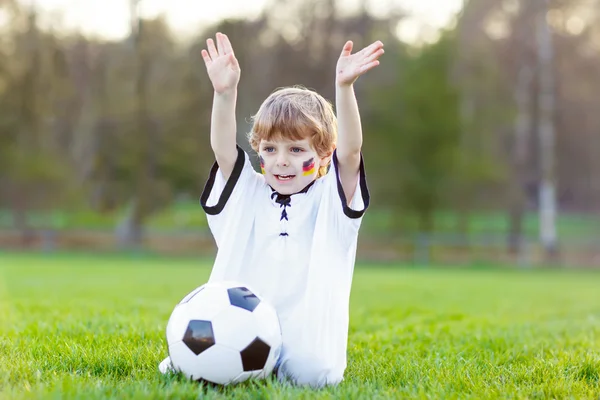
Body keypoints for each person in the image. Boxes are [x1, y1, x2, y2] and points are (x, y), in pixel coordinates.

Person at [160, 32, 384, 388]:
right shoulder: (248, 190)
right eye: (270, 149)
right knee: (207, 365)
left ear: (324, 155)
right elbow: (222, 149)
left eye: (296, 150)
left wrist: (345, 88)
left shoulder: (331, 199)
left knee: (313, 376)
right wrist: (224, 93)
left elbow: (352, 152)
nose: (281, 162)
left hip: (306, 340)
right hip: (235, 330)